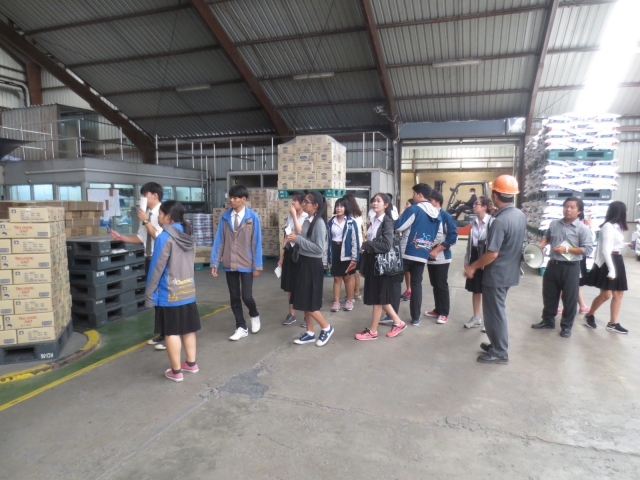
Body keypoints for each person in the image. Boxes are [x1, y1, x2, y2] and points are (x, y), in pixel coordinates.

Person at [464, 175, 525, 365]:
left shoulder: (499, 220)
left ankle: (500, 352)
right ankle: (496, 344)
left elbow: (492, 253)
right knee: (496, 311)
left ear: (496, 195)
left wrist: (473, 266)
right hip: (510, 271)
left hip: (496, 274)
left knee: (494, 313)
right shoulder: (519, 215)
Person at [144, 201, 199, 383]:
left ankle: (176, 371)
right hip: (187, 289)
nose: (158, 217)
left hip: (170, 293)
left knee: (171, 332)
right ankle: (191, 363)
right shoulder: (188, 235)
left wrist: (149, 294)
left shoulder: (164, 238)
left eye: (160, 214)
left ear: (168, 217)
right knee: (188, 329)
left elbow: (156, 268)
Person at [110, 182, 164, 349]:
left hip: (160, 259)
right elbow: (141, 238)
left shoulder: (163, 214)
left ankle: (167, 334)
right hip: (148, 259)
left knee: (163, 297)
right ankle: (162, 332)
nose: (142, 198)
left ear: (155, 195)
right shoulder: (146, 214)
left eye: (144, 194)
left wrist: (146, 220)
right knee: (154, 297)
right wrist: (121, 237)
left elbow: (159, 238)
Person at [531, 197, 593, 338]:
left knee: (569, 298)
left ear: (579, 211)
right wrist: (541, 245)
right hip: (553, 265)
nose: (568, 210)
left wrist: (567, 250)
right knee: (549, 295)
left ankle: (566, 326)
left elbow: (587, 249)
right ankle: (548, 321)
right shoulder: (554, 224)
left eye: (572, 207)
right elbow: (547, 236)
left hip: (571, 267)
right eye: (566, 206)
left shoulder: (582, 229)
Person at [210, 185, 263, 341]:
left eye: (235, 198)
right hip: (230, 262)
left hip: (247, 263)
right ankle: (241, 327)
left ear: (243, 199)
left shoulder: (252, 217)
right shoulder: (225, 217)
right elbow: (220, 241)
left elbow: (256, 242)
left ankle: (254, 314)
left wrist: (257, 265)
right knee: (234, 297)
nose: (231, 201)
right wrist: (214, 262)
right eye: (230, 198)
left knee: (247, 296)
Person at [355, 193, 407, 341]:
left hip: (381, 265)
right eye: (374, 201)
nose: (375, 203)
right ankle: (397, 322)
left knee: (378, 298)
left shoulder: (387, 222)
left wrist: (367, 245)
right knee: (378, 297)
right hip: (373, 263)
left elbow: (386, 245)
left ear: (386, 205)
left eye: (378, 201)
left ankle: (373, 331)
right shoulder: (373, 220)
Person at [287, 191, 334, 347]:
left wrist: (298, 239)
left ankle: (326, 327)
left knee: (310, 302)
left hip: (312, 265)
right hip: (304, 262)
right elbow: (306, 239)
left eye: (306, 202)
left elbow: (319, 249)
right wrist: (296, 237)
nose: (303, 203)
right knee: (304, 300)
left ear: (315, 205)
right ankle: (310, 332)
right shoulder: (308, 220)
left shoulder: (319, 223)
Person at [394, 183, 442, 326]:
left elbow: (399, 227)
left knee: (395, 282)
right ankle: (415, 317)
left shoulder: (414, 209)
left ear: (419, 194)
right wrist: (427, 244)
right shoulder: (436, 213)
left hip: (407, 251)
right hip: (422, 253)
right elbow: (439, 235)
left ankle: (392, 315)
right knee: (417, 285)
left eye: (414, 194)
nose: (413, 196)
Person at [583, 201, 630, 334]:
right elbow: (605, 250)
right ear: (620, 212)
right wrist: (612, 269)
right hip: (608, 261)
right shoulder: (608, 226)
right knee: (606, 294)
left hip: (617, 259)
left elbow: (614, 244)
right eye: (625, 211)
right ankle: (589, 315)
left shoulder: (617, 227)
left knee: (619, 293)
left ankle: (613, 323)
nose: (626, 213)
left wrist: (626, 244)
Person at [424, 190, 458, 324]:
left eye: (430, 201)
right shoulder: (429, 215)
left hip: (442, 257)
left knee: (441, 284)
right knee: (434, 284)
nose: (428, 203)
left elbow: (453, 236)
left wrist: (437, 250)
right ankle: (438, 309)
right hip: (430, 257)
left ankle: (444, 312)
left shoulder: (445, 216)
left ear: (437, 201)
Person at [278, 193, 308, 326]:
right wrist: (282, 256)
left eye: (295, 201)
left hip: (302, 253)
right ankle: (292, 314)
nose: (293, 203)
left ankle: (307, 316)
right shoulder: (289, 216)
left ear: (302, 203)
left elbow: (300, 232)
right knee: (290, 285)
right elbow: (286, 236)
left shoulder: (306, 217)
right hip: (290, 252)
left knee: (303, 285)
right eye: (293, 201)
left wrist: (295, 216)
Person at [463, 195, 493, 329]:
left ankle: (489, 322)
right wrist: (467, 259)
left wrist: (487, 261)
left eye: (477, 204)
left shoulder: (492, 222)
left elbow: (493, 244)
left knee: (488, 290)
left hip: (487, 257)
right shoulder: (473, 222)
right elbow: (470, 243)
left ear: (485, 207)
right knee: (476, 289)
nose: (474, 205)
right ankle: (476, 318)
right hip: (474, 255)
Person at [327, 198, 360, 312]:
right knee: (336, 278)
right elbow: (327, 240)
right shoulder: (331, 222)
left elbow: (355, 240)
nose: (339, 208)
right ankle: (336, 302)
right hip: (335, 251)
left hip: (347, 252)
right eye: (337, 206)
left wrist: (354, 258)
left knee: (347, 278)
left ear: (346, 208)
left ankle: (349, 301)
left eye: (341, 206)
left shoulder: (351, 222)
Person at [343, 194, 364, 301]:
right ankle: (356, 292)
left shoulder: (350, 218)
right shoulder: (358, 216)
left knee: (351, 272)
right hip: (359, 246)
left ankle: (351, 295)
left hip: (353, 247)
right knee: (354, 271)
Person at [401, 198, 415, 302]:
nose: (405, 206)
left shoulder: (412, 216)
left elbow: (399, 227)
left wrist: (402, 217)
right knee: (406, 271)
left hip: (410, 247)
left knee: (410, 271)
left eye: (407, 204)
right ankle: (408, 289)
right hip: (404, 246)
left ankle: (411, 290)